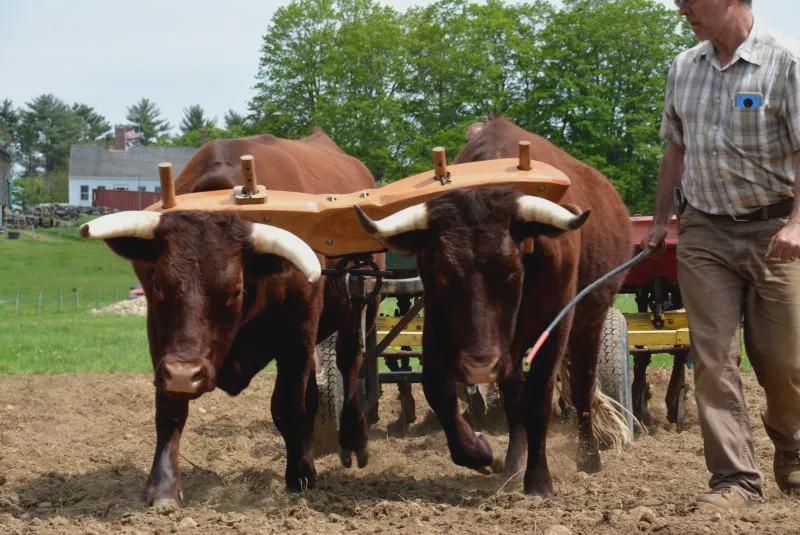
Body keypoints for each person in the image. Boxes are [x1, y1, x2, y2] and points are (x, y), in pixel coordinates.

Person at [645, 0, 800, 509]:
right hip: (705, 232)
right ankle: (735, 481)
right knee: (712, 361)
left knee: (785, 364)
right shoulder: (684, 67)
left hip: (776, 230)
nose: (681, 6)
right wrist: (663, 221)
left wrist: (798, 224)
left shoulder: (785, 62)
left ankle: (794, 454)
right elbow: (676, 149)